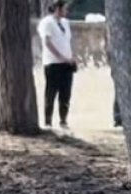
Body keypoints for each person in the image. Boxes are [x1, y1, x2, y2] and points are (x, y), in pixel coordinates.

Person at [38, 1, 77, 130]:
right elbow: (47, 42)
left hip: (67, 63)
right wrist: (61, 57)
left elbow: (67, 41)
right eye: (64, 8)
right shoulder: (47, 22)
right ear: (57, 8)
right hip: (53, 63)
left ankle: (63, 120)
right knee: (51, 92)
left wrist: (70, 57)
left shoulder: (65, 23)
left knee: (65, 93)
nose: (66, 11)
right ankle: (48, 121)